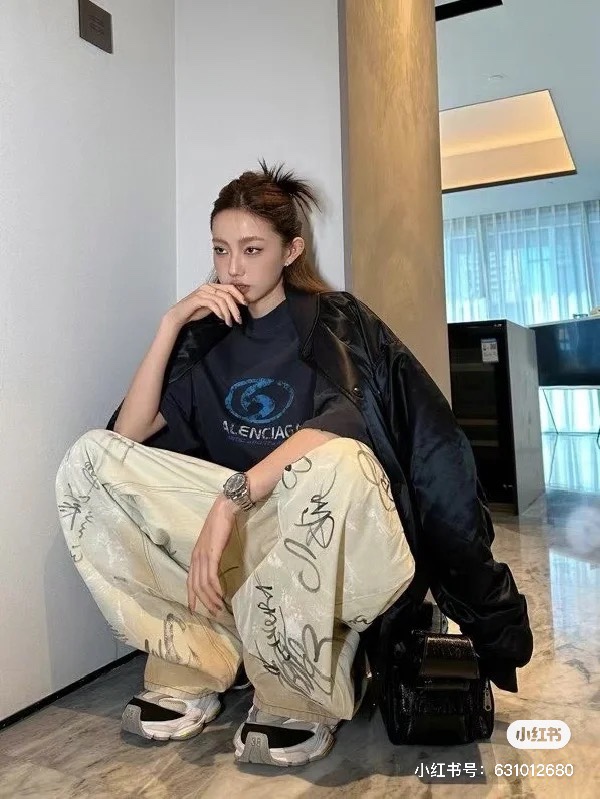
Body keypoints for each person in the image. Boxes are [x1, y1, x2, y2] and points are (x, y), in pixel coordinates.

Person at [55, 162, 532, 768]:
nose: (233, 268)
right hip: (238, 545)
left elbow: (346, 422)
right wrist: (171, 323)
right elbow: (126, 439)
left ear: (291, 251)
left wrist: (232, 497)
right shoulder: (206, 338)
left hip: (325, 539)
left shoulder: (336, 321)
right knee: (90, 458)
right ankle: (194, 658)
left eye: (252, 250)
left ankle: (297, 687)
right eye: (221, 250)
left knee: (335, 463)